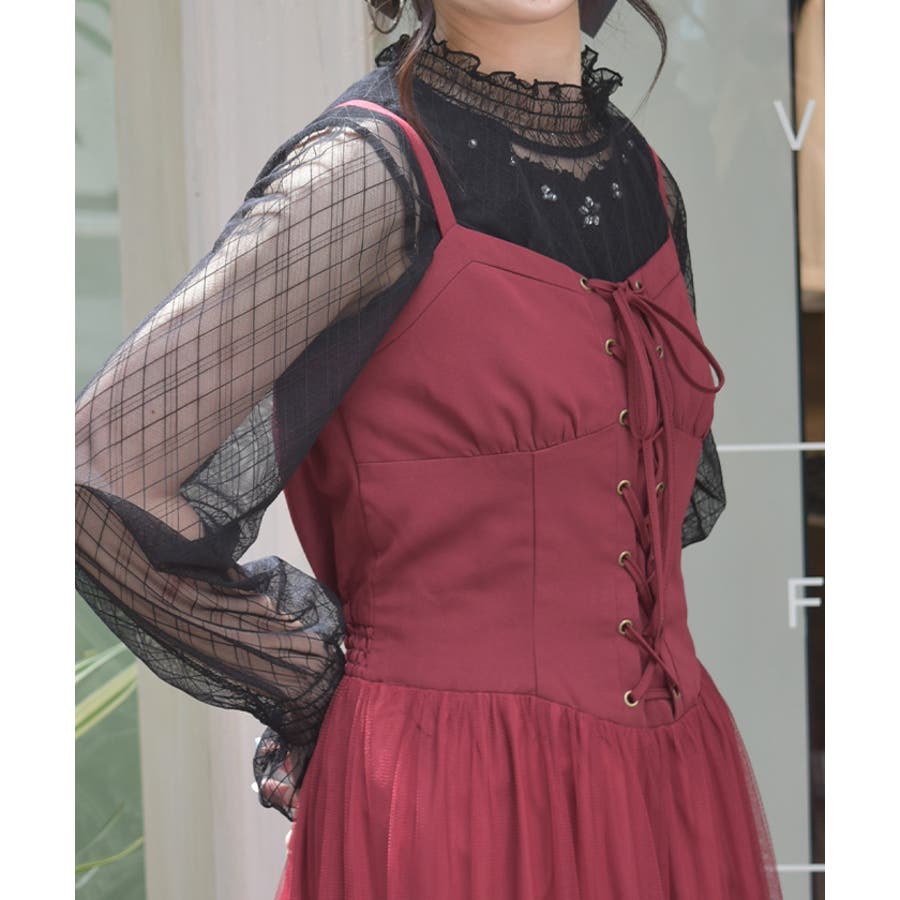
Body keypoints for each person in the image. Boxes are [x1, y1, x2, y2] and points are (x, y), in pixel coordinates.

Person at [74, 1, 784, 897]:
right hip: (457, 802)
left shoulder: (646, 182)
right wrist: (306, 681)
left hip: (674, 795)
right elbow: (98, 478)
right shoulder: (363, 176)